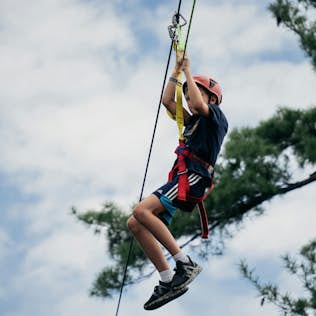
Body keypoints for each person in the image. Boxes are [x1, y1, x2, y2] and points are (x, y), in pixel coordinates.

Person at [127, 52, 228, 310]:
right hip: (184, 177)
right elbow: (167, 101)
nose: (191, 96)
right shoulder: (193, 123)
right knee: (135, 223)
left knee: (142, 210)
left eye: (197, 92)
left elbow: (196, 104)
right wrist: (176, 71)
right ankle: (168, 277)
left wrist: (188, 72)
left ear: (212, 98)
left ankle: (185, 263)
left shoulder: (216, 118)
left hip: (196, 176)